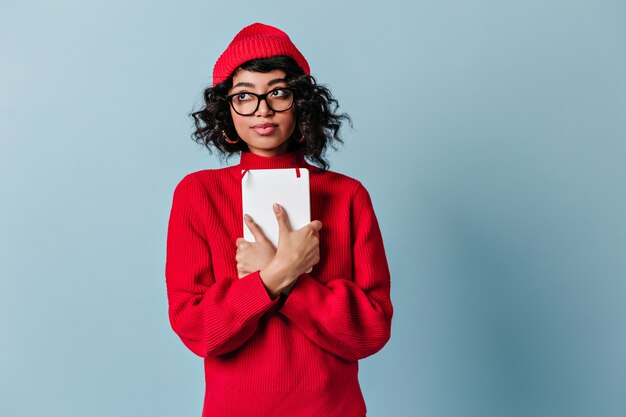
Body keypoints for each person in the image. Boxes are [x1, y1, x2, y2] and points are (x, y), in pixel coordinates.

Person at [165, 22, 393, 417]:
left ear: (301, 102)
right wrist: (276, 276)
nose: (262, 109)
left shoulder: (347, 195)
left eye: (278, 92)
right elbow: (197, 329)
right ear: (226, 109)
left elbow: (371, 330)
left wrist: (283, 278)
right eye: (244, 96)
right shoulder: (197, 194)